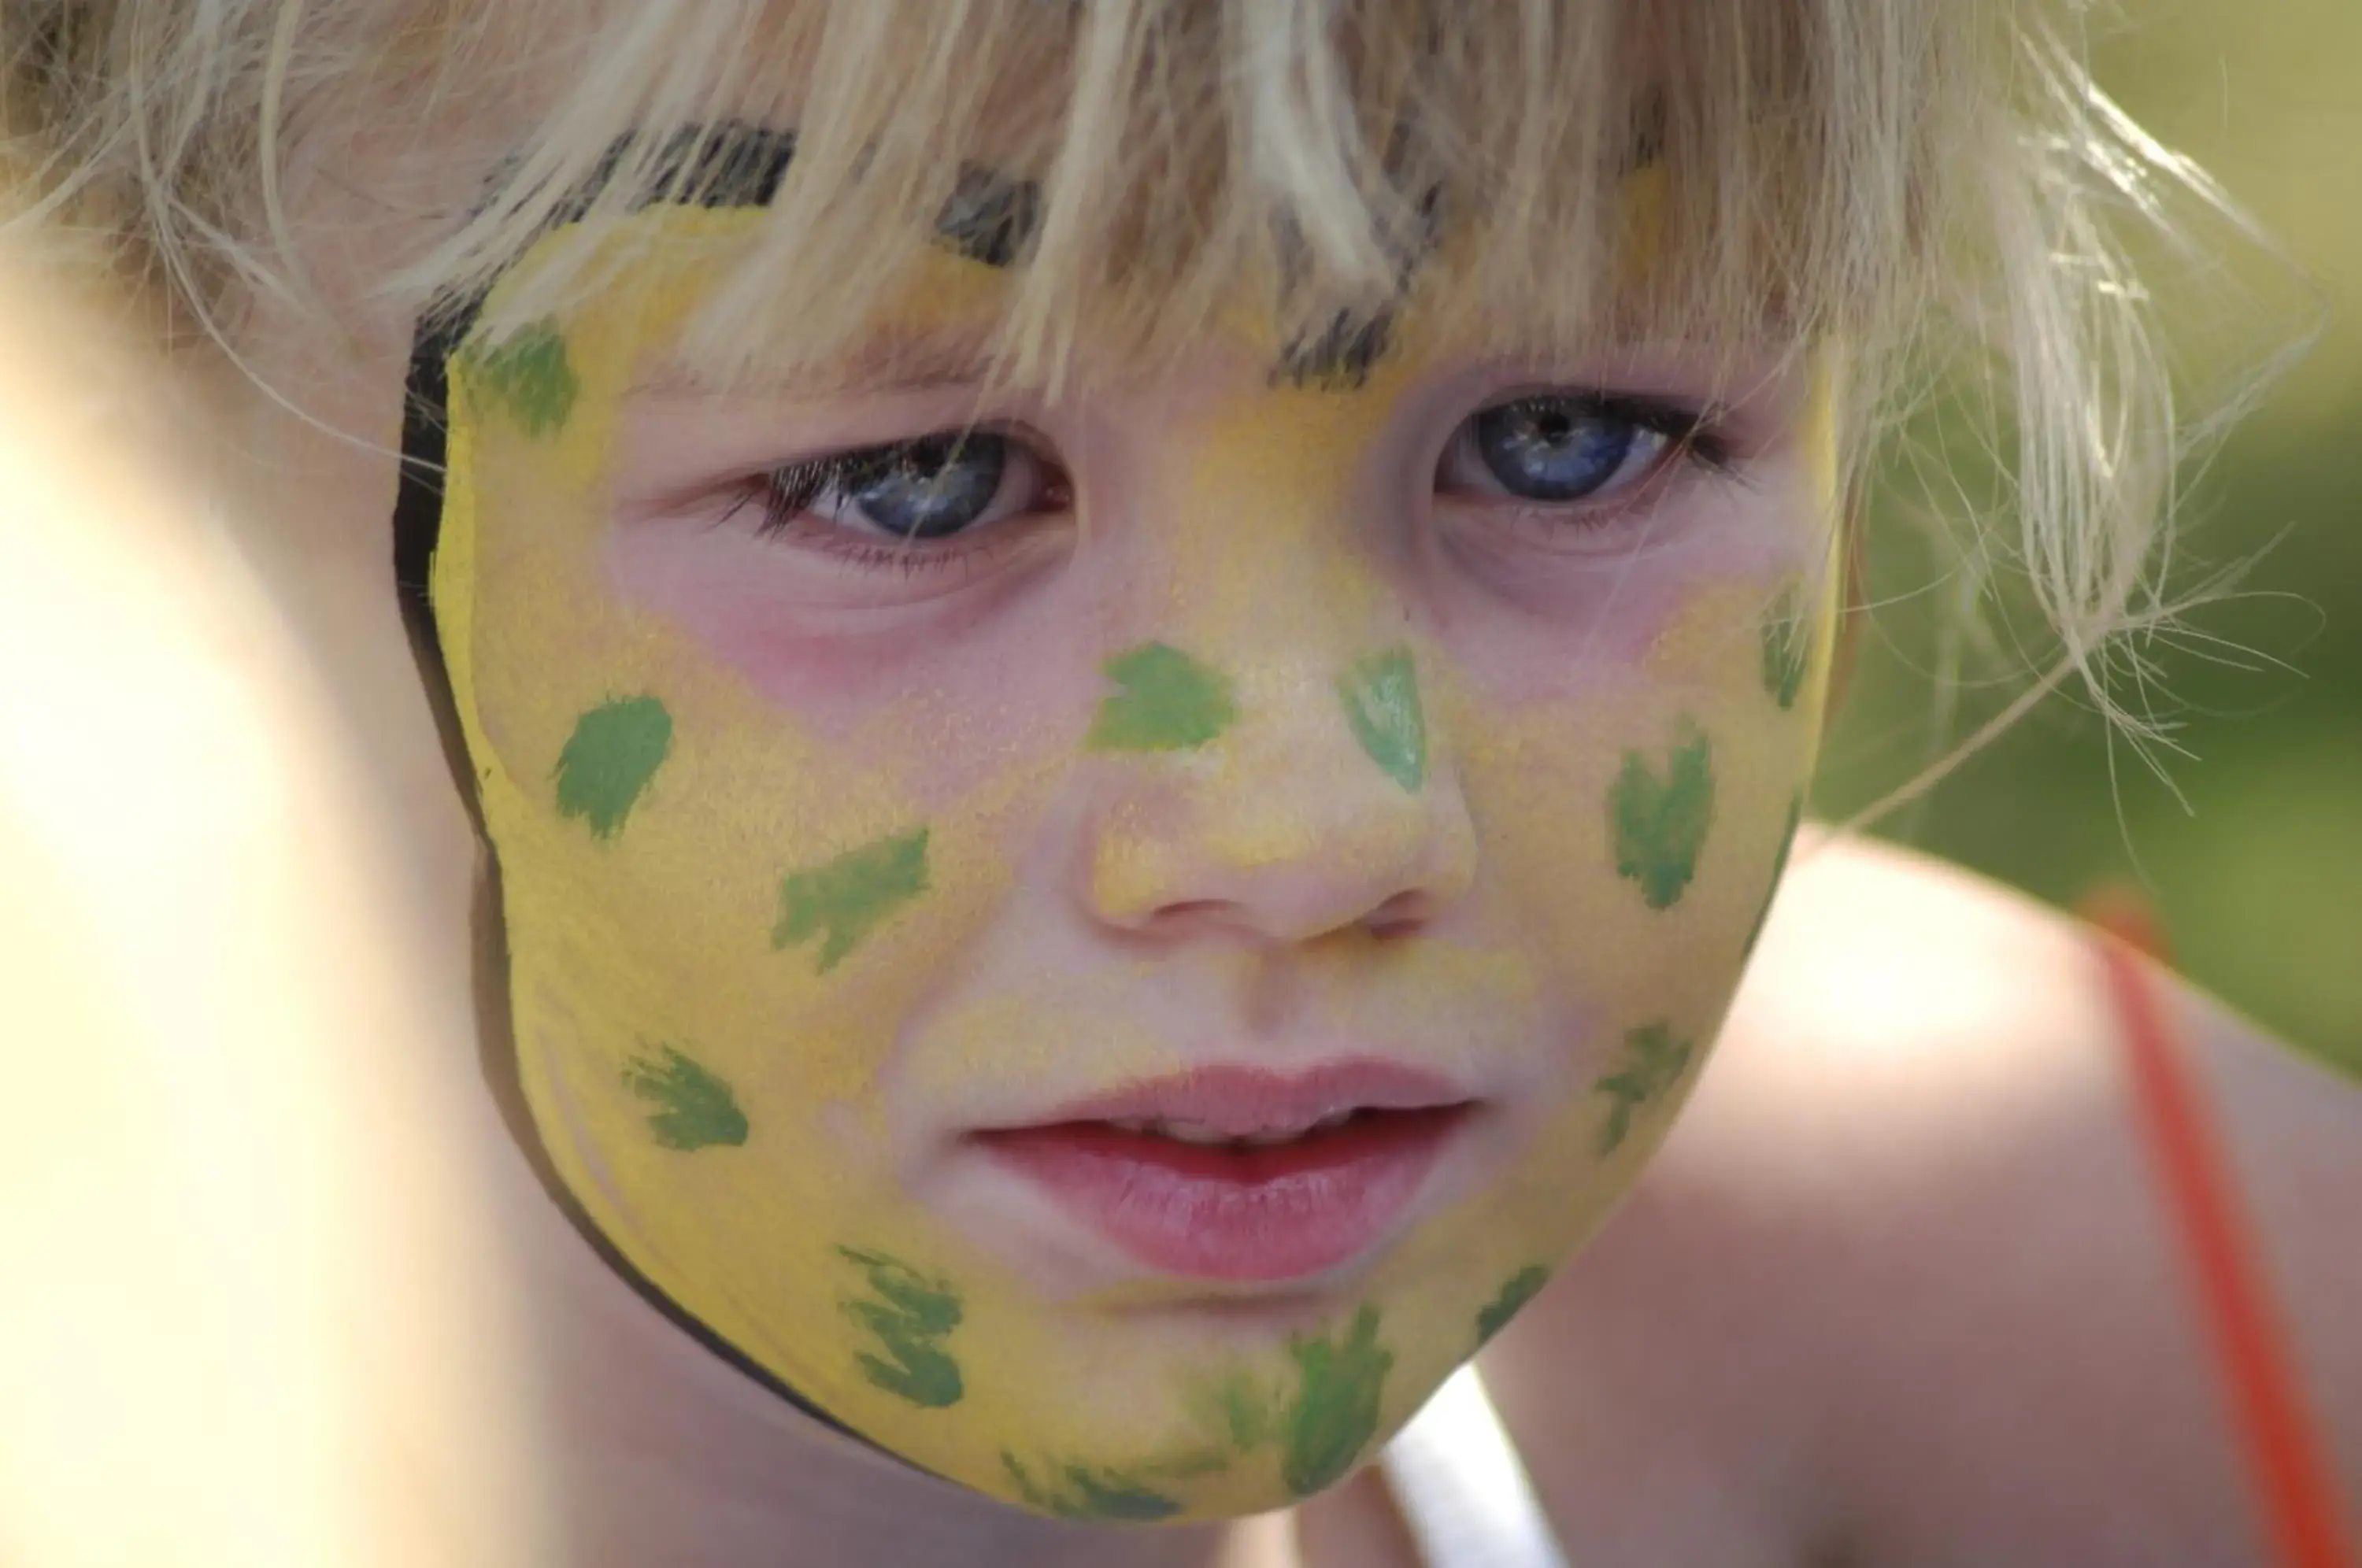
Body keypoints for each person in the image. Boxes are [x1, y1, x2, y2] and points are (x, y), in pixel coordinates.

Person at [1, 2, 2355, 1564]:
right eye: (915, 476)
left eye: (1569, 439)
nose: (1308, 827)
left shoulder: (2062, 1278)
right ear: (137, 450)